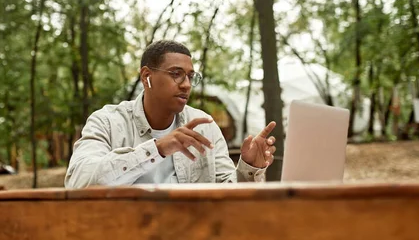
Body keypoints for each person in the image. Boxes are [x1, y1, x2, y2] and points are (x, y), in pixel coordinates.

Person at [64, 40, 276, 188]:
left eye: (191, 77)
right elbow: (79, 182)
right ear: (147, 77)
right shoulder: (108, 122)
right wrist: (158, 148)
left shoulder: (204, 126)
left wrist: (249, 168)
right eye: (176, 74)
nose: (186, 85)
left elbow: (225, 196)